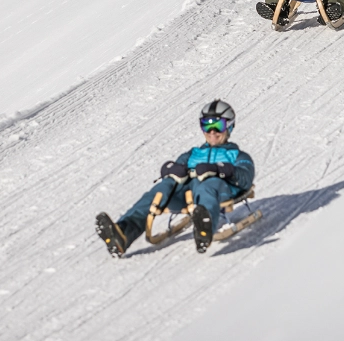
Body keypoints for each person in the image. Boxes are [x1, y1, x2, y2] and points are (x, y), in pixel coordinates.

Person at [95, 100, 254, 257]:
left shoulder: (237, 155)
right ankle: (123, 233)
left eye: (218, 126)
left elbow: (245, 176)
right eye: (206, 125)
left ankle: (205, 228)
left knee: (209, 185)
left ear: (230, 126)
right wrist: (172, 170)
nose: (212, 131)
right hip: (188, 197)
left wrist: (219, 169)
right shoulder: (192, 154)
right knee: (164, 187)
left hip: (218, 192)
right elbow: (173, 168)